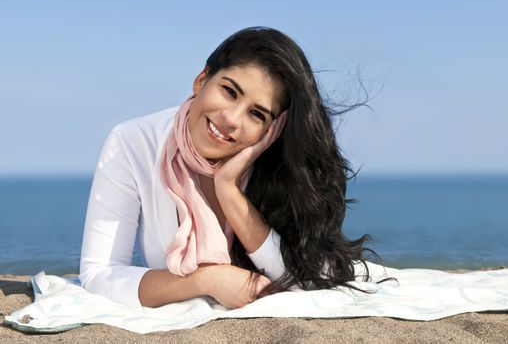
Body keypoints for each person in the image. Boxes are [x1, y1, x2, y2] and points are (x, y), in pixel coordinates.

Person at [79, 26, 372, 310]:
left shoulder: (276, 165)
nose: (231, 118)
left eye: (256, 114)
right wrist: (206, 280)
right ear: (201, 80)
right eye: (230, 91)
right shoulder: (133, 142)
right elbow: (99, 274)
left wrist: (229, 191)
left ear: (273, 129)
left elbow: (308, 281)